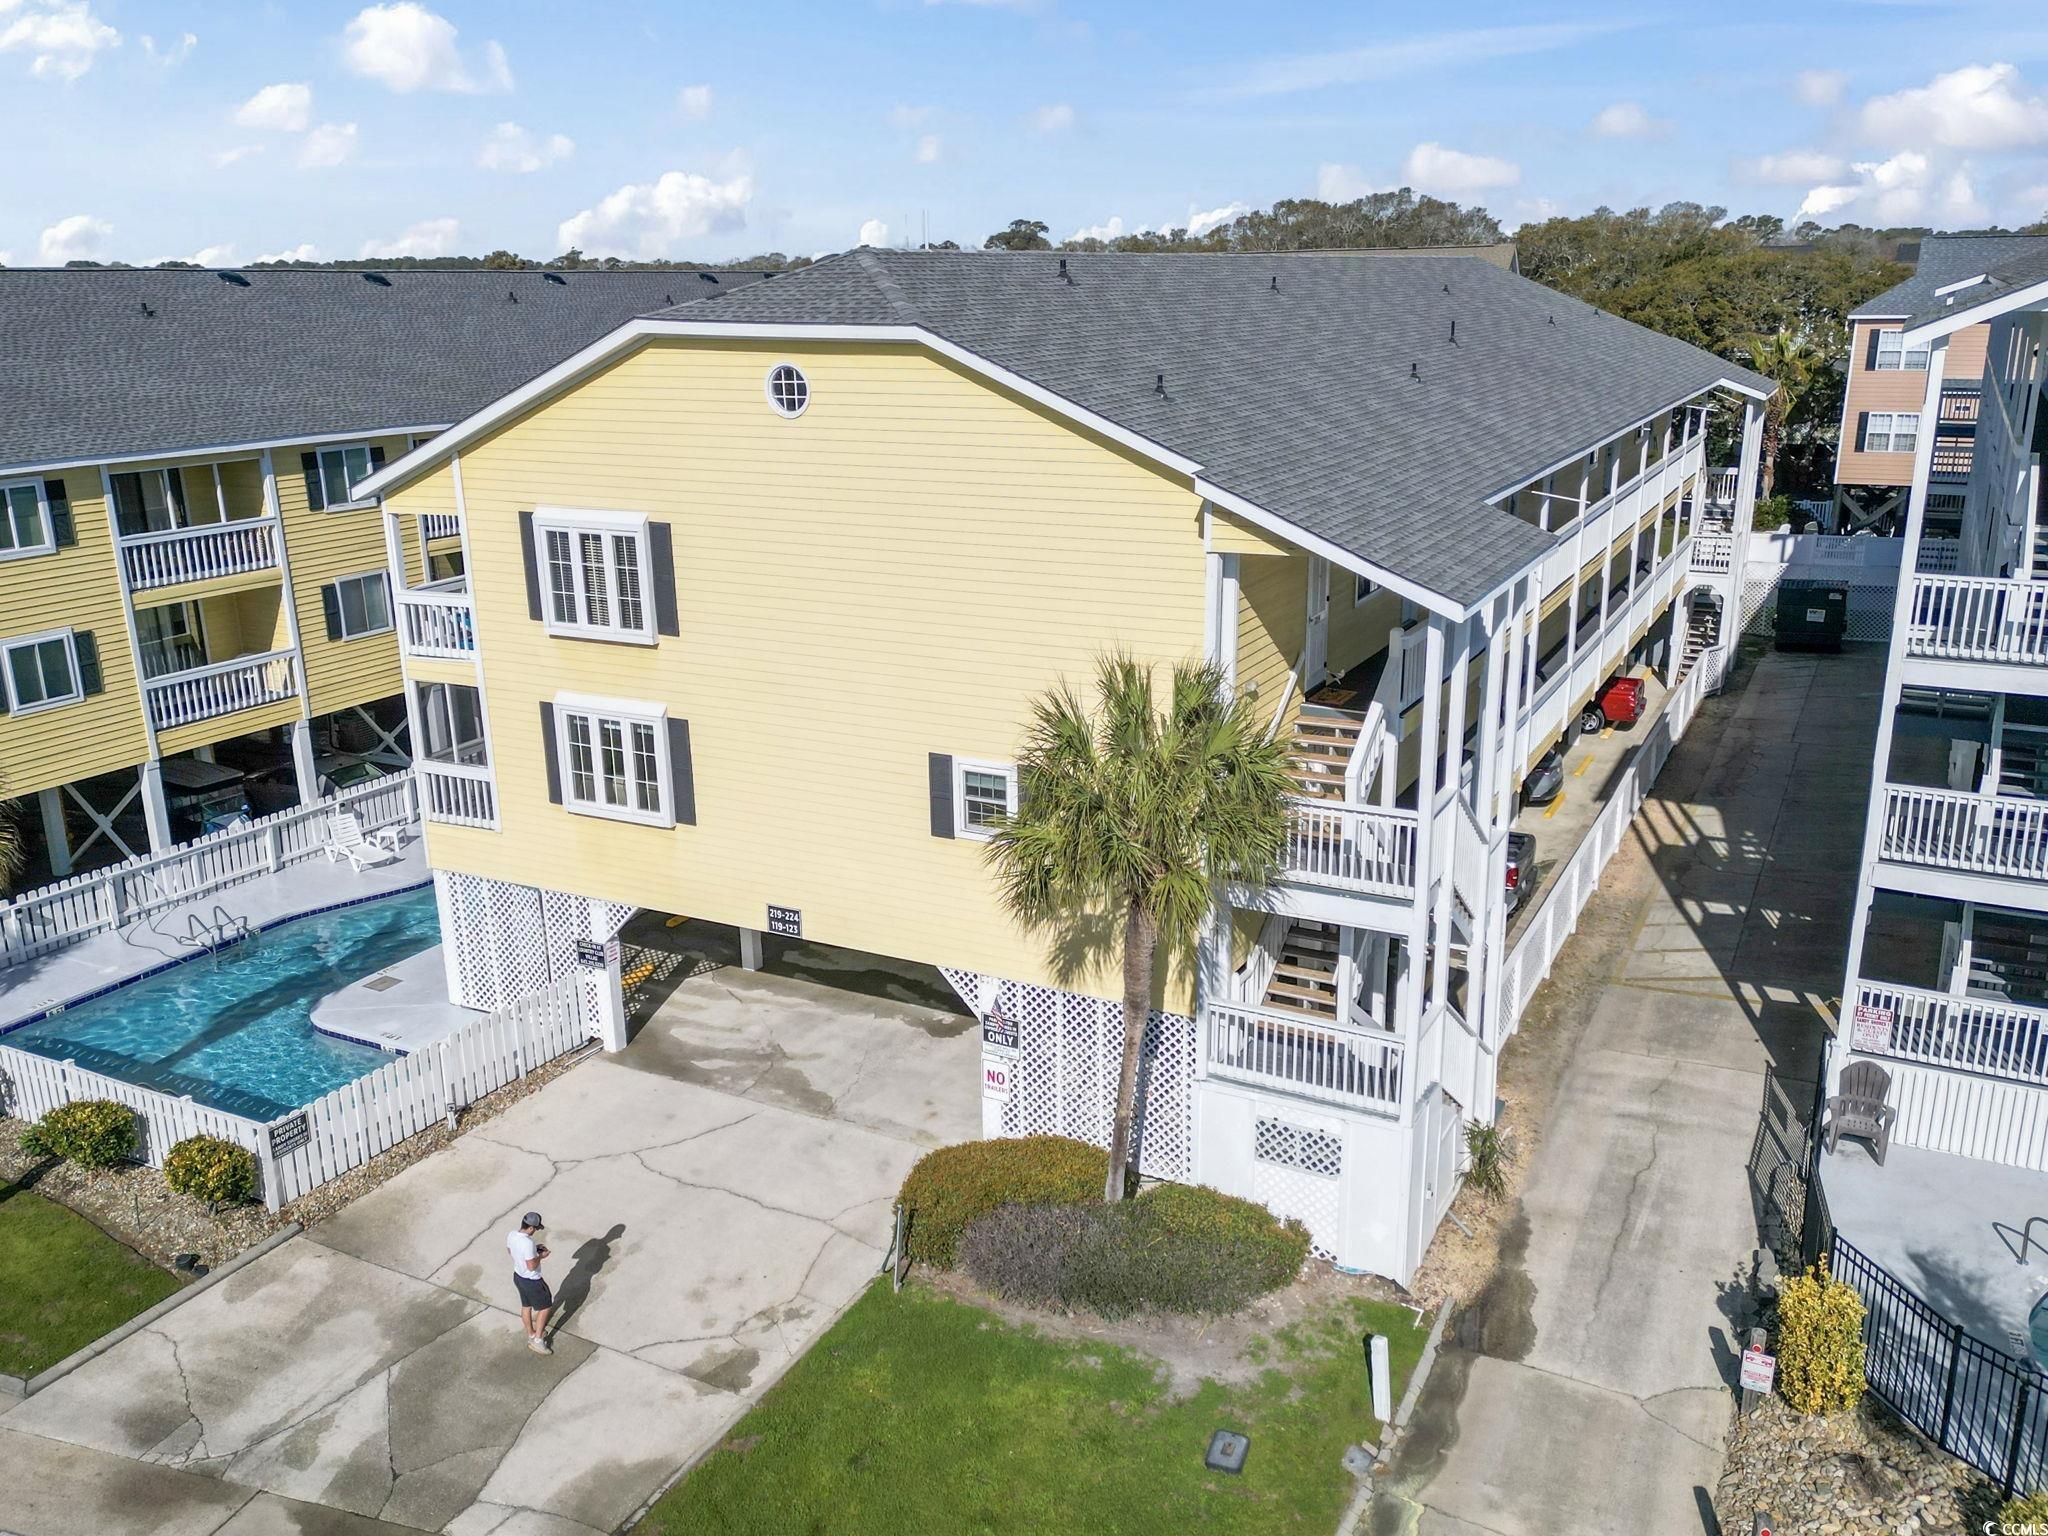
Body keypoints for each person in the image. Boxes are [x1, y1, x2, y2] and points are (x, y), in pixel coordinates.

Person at [507, 1211, 553, 1354]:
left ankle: (531, 1333)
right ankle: (538, 1341)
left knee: (526, 1306)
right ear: (532, 1228)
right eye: (536, 1229)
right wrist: (541, 1256)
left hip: (518, 1276)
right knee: (545, 1307)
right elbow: (531, 1266)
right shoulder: (528, 1243)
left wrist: (533, 1251)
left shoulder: (512, 1235)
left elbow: (510, 1251)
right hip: (532, 1281)